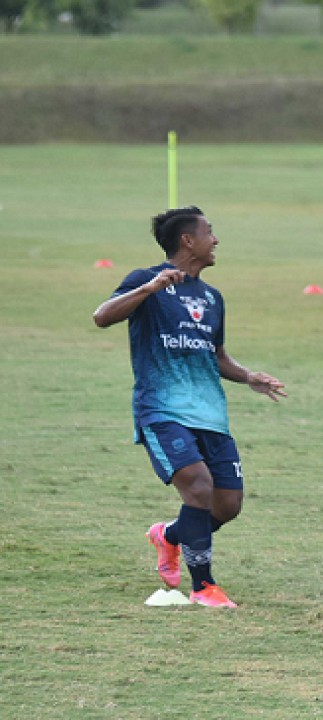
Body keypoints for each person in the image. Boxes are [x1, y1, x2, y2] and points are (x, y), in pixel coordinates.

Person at [93, 206, 286, 607]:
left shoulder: (212, 297)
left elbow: (216, 356)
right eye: (209, 232)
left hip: (210, 413)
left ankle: (168, 536)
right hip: (162, 410)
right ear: (187, 240)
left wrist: (249, 376)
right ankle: (203, 588)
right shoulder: (145, 280)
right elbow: (102, 316)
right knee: (198, 487)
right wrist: (149, 290)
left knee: (227, 504)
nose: (215, 240)